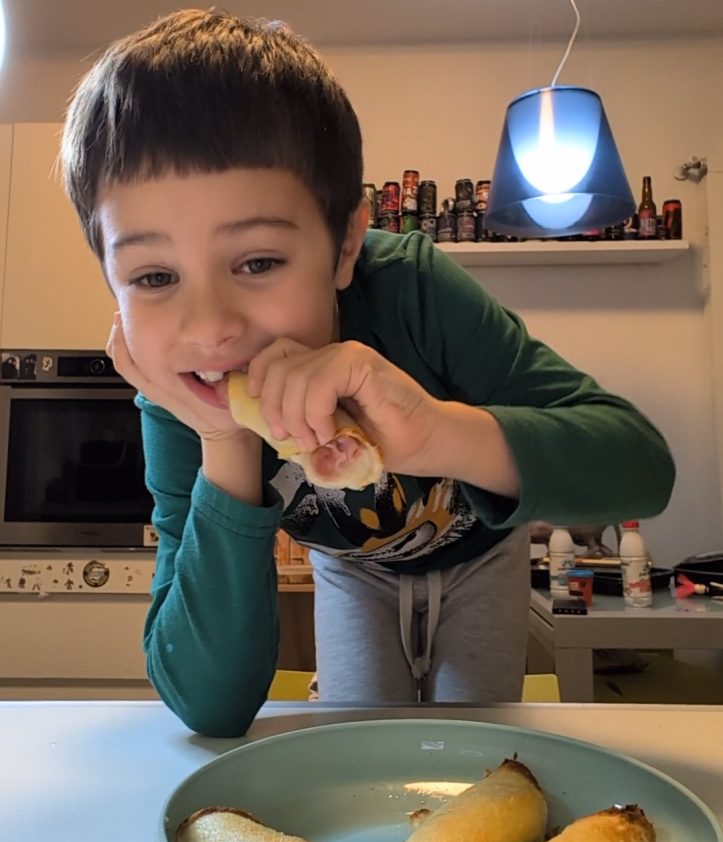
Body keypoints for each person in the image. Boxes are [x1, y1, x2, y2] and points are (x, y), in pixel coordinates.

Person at [60, 8, 675, 737]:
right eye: (154, 275)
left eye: (257, 262)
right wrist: (224, 443)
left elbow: (641, 466)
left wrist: (434, 433)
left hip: (480, 550)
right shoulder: (178, 397)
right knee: (360, 733)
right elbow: (208, 705)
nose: (209, 328)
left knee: (473, 743)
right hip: (351, 569)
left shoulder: (407, 289)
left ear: (346, 243)